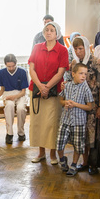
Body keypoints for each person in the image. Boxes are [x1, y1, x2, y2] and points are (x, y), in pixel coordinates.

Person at [28, 21, 69, 164]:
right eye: (46, 30)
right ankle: (40, 153)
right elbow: (31, 68)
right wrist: (40, 86)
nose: (49, 32)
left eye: (52, 30)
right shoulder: (37, 47)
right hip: (36, 89)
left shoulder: (62, 50)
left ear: (57, 33)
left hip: (54, 91)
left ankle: (52, 154)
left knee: (52, 123)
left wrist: (47, 87)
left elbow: (60, 72)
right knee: (38, 122)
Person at [68, 36, 100, 174]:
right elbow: (71, 82)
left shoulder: (96, 62)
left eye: (80, 49)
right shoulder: (74, 63)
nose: (78, 52)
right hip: (78, 104)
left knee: (92, 134)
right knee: (81, 134)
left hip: (92, 103)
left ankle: (93, 164)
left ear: (86, 48)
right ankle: (84, 162)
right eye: (75, 49)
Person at [56, 63, 95, 176]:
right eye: (81, 73)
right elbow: (61, 100)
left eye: (85, 74)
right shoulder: (67, 85)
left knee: (78, 146)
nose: (83, 76)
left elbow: (90, 106)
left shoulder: (85, 88)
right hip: (65, 120)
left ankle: (73, 165)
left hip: (79, 122)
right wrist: (65, 102)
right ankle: (62, 160)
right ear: (73, 74)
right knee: (59, 144)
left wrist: (75, 104)